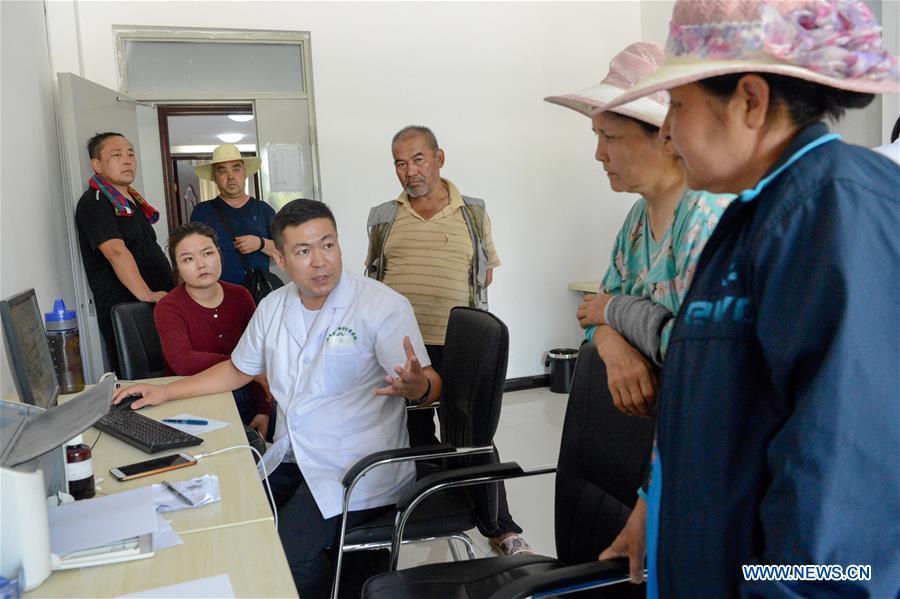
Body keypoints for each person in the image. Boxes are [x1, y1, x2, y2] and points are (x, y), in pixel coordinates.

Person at [597, 1, 900, 596]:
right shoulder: (756, 217)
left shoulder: (837, 212)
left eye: (678, 106)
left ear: (751, 101)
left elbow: (840, 493)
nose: (666, 132)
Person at [114, 199, 440, 599]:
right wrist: (164, 391)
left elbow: (428, 382)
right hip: (294, 455)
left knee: (286, 552)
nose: (320, 261)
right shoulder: (273, 307)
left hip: (356, 467)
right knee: (231, 516)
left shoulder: (381, 305)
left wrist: (416, 387)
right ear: (281, 259)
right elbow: (239, 369)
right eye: (303, 251)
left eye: (328, 245)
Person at [365, 125, 530, 556]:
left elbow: (485, 271)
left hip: (460, 344)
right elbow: (375, 276)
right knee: (414, 431)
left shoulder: (473, 212)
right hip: (402, 347)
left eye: (418, 159)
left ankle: (499, 527)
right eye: (400, 163)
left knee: (472, 434)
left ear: (440, 157)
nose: (410, 171)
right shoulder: (383, 216)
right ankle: (430, 513)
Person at [546, 42, 732, 419]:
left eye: (611, 137)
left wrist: (616, 309)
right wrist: (616, 349)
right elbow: (590, 315)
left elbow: (696, 351)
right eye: (597, 136)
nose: (599, 153)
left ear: (666, 137)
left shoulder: (706, 217)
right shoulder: (636, 220)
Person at [154, 222, 271, 437]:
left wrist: (264, 411)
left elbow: (259, 356)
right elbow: (182, 360)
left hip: (243, 394)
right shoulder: (169, 306)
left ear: (219, 254)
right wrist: (244, 367)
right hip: (193, 398)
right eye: (188, 259)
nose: (201, 264)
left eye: (207, 253)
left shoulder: (241, 296)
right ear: (177, 268)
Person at [75, 132, 174, 374]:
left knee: (165, 374)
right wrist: (146, 293)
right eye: (117, 155)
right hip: (128, 310)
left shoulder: (129, 200)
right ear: (96, 164)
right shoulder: (96, 202)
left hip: (151, 304)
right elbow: (116, 252)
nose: (127, 160)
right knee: (140, 381)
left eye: (131, 154)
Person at [190, 143, 276, 288]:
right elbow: (191, 253)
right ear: (214, 177)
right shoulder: (202, 211)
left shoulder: (263, 210)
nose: (231, 176)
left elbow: (285, 251)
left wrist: (260, 243)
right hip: (216, 292)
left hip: (259, 293)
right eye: (222, 171)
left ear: (244, 173)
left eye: (236, 169)